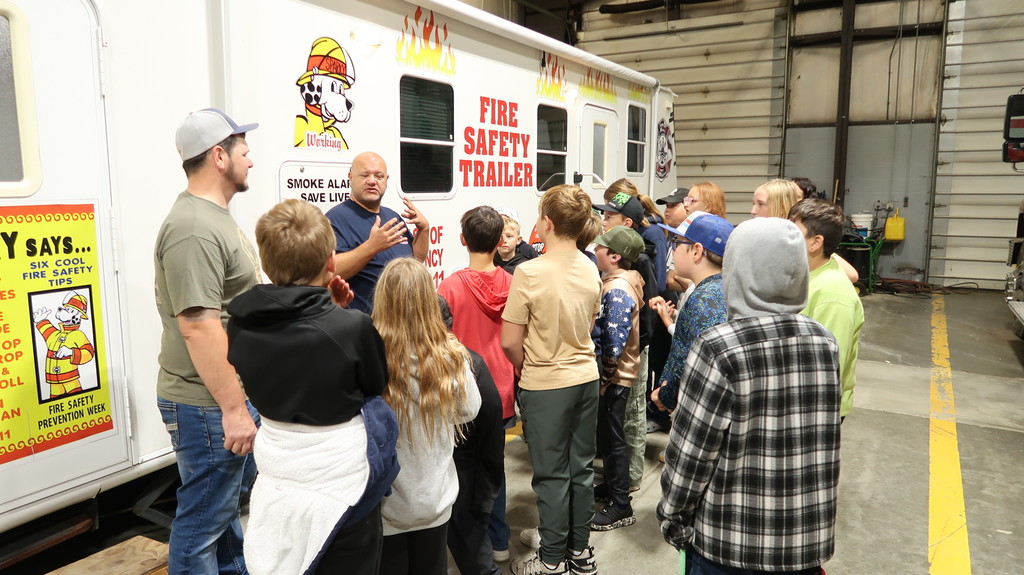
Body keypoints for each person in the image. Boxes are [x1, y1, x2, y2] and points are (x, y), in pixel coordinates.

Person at [657, 217, 841, 575]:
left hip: (729, 547)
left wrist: (672, 518)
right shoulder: (823, 341)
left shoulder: (719, 347)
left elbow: (692, 455)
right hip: (805, 544)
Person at [226, 199, 398, 575]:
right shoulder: (351, 327)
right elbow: (374, 384)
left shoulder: (240, 323)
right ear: (331, 262)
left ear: (267, 265)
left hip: (278, 470)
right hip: (342, 480)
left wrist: (327, 310)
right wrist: (336, 314)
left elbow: (296, 338)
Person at [154, 108, 261, 574]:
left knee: (222, 520)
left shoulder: (213, 217)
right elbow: (198, 325)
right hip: (208, 405)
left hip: (220, 399)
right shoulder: (194, 229)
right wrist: (234, 410)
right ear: (219, 156)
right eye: (243, 150)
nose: (251, 159)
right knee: (200, 528)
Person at [502, 184, 602, 575]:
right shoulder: (591, 266)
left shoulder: (529, 271)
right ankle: (578, 552)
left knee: (550, 473)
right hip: (586, 377)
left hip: (546, 382)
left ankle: (551, 559)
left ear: (546, 223)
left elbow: (510, 340)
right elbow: (588, 325)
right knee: (580, 469)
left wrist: (527, 366)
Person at [373, 258, 482, 575]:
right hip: (435, 498)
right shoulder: (449, 353)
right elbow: (469, 410)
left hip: (388, 504)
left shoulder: (371, 351)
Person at [437, 206, 515, 565]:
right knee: (493, 466)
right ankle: (499, 539)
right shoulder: (512, 284)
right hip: (501, 390)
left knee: (459, 469)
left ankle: (468, 543)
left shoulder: (450, 287)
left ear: (462, 239)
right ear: (501, 241)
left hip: (461, 393)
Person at [438, 296, 505, 575]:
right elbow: (492, 429)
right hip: (466, 470)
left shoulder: (469, 367)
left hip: (460, 470)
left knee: (472, 548)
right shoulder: (470, 364)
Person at [594, 191, 658, 480]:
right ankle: (616, 479)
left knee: (629, 419)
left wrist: (635, 349)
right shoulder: (618, 266)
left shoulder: (634, 267)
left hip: (627, 357)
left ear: (628, 223)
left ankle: (628, 480)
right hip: (623, 356)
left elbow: (645, 315)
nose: (603, 221)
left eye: (609, 216)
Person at [590, 225, 646, 531]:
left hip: (616, 378)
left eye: (600, 247)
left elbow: (615, 340)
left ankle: (621, 505)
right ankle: (613, 487)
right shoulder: (620, 281)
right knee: (609, 438)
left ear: (614, 256)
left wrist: (606, 377)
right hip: (617, 376)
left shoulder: (618, 289)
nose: (595, 250)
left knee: (613, 441)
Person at [650, 212, 732, 418]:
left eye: (677, 243)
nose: (673, 249)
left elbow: (693, 357)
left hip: (696, 407)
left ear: (696, 251)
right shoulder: (719, 288)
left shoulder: (705, 298)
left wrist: (666, 394)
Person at [326, 151, 430, 312]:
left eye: (379, 176)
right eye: (365, 175)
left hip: (401, 323)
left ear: (386, 180)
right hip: (366, 326)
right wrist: (371, 247)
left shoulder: (392, 216)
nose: (372, 181)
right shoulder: (335, 218)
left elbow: (416, 260)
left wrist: (424, 230)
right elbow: (329, 272)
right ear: (350, 177)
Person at [789, 199, 865, 421]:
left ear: (815, 243)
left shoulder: (833, 296)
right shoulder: (807, 274)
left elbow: (827, 369)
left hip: (813, 410)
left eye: (793, 234)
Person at [751, 179, 859, 283]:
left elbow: (852, 275)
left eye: (760, 204)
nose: (753, 211)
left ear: (782, 207)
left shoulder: (797, 240)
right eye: (753, 203)